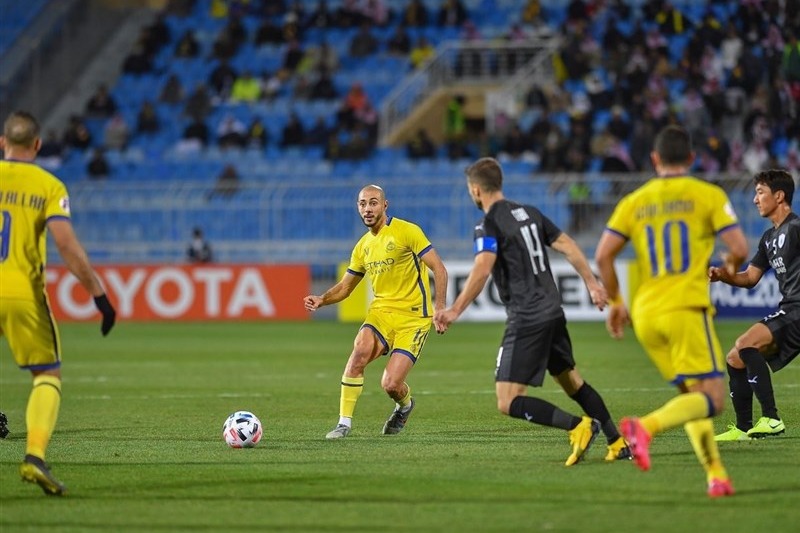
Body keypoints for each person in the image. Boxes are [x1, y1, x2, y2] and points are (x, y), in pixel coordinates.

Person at [437, 157, 631, 466]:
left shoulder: (487, 223)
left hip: (527, 316)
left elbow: (482, 268)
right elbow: (567, 244)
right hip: (553, 311)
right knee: (573, 383)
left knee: (507, 400)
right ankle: (617, 441)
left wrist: (455, 309)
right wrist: (592, 283)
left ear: (475, 189)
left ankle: (579, 426)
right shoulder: (530, 213)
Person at [594, 125, 749, 498]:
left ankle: (716, 474)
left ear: (655, 159)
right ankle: (643, 427)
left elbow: (603, 255)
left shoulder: (635, 200)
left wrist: (616, 302)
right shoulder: (706, 194)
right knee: (711, 397)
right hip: (685, 309)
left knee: (691, 396)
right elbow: (740, 248)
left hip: (646, 314)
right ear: (693, 159)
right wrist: (729, 265)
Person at [0, 111, 117, 496]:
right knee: (47, 374)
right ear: (36, 145)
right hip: (20, 290)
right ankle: (34, 456)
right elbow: (66, 245)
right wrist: (99, 295)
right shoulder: (48, 185)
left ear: (3, 143)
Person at [303, 185, 448, 439]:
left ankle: (405, 406)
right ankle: (343, 423)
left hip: (413, 319)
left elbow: (439, 268)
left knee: (391, 384)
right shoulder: (363, 247)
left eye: (372, 203)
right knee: (358, 351)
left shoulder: (407, 231)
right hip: (381, 313)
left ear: (385, 205)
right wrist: (322, 299)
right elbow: (346, 287)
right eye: (362, 204)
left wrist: (441, 309)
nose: (367, 209)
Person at [711, 169, 799, 441]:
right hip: (792, 310)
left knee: (747, 344)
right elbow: (750, 278)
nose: (755, 200)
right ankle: (744, 427)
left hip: (797, 310)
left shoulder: (796, 229)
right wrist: (722, 275)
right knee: (735, 358)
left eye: (760, 192)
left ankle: (772, 419)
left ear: (779, 195)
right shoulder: (769, 238)